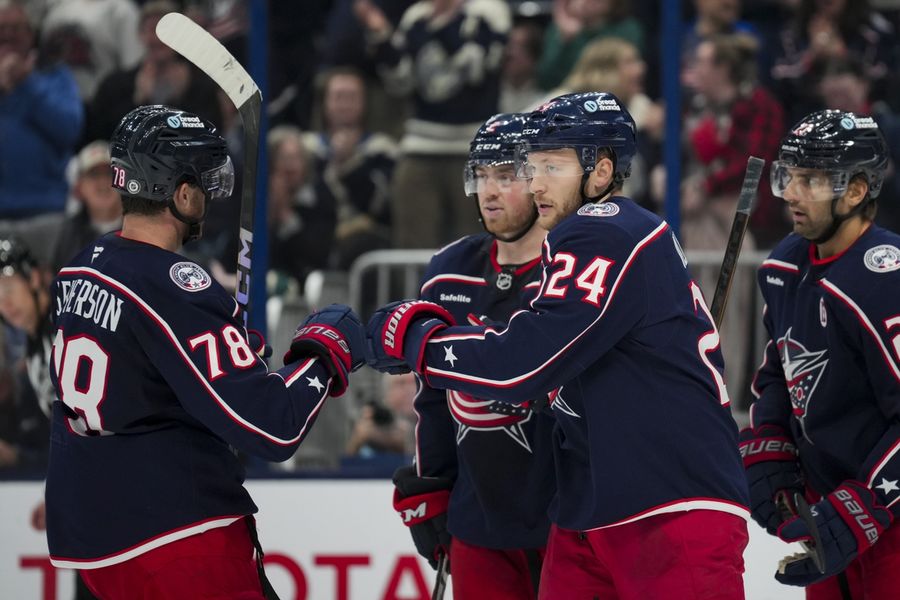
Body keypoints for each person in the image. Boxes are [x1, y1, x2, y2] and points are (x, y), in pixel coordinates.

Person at [364, 92, 750, 599]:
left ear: (600, 171)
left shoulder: (606, 230)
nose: (536, 182)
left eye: (552, 165)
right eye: (532, 165)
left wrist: (417, 341)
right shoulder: (588, 237)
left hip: (668, 504)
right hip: (589, 509)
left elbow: (520, 364)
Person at [44, 105, 366, 599]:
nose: (211, 197)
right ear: (182, 192)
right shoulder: (175, 286)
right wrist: (326, 354)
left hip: (94, 541)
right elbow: (272, 425)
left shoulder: (81, 267)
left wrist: (221, 356)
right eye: (204, 184)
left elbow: (135, 384)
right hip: (177, 536)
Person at [391, 113, 554, 599]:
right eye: (481, 176)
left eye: (505, 176)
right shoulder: (449, 271)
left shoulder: (572, 271)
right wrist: (432, 485)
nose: (489, 191)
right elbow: (433, 397)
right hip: (477, 520)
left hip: (566, 518)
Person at [742, 109, 900, 598]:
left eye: (809, 180)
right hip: (828, 512)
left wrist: (867, 504)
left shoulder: (884, 280)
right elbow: (779, 372)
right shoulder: (784, 265)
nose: (790, 192)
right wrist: (771, 440)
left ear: (855, 191)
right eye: (787, 175)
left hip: (887, 522)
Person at [0, 0, 83, 219]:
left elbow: (69, 130)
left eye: (16, 28)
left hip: (45, 208)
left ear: (30, 34)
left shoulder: (56, 75)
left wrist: (26, 83)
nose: (8, 35)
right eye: (1, 29)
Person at [51, 140, 123, 273]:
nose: (103, 182)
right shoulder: (66, 233)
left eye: (109, 173)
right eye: (94, 175)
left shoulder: (140, 228)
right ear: (78, 188)